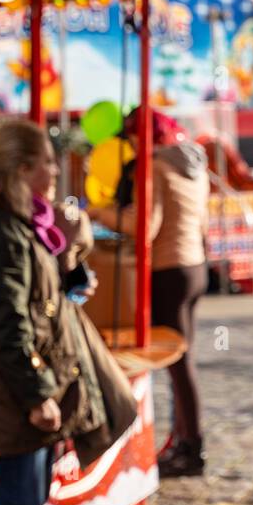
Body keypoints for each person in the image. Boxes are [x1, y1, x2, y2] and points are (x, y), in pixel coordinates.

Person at [0, 118, 108, 505]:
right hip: (12, 390)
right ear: (22, 169)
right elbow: (7, 323)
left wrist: (70, 265)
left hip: (28, 383)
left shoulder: (20, 221)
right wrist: (37, 394)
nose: (55, 170)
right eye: (46, 161)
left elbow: (39, 293)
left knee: (30, 501)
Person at [88, 109, 211, 478]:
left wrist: (101, 213)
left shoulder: (154, 166)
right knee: (184, 362)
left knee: (177, 364)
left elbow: (145, 224)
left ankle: (190, 448)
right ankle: (186, 441)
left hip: (168, 270)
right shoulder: (193, 163)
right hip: (194, 266)